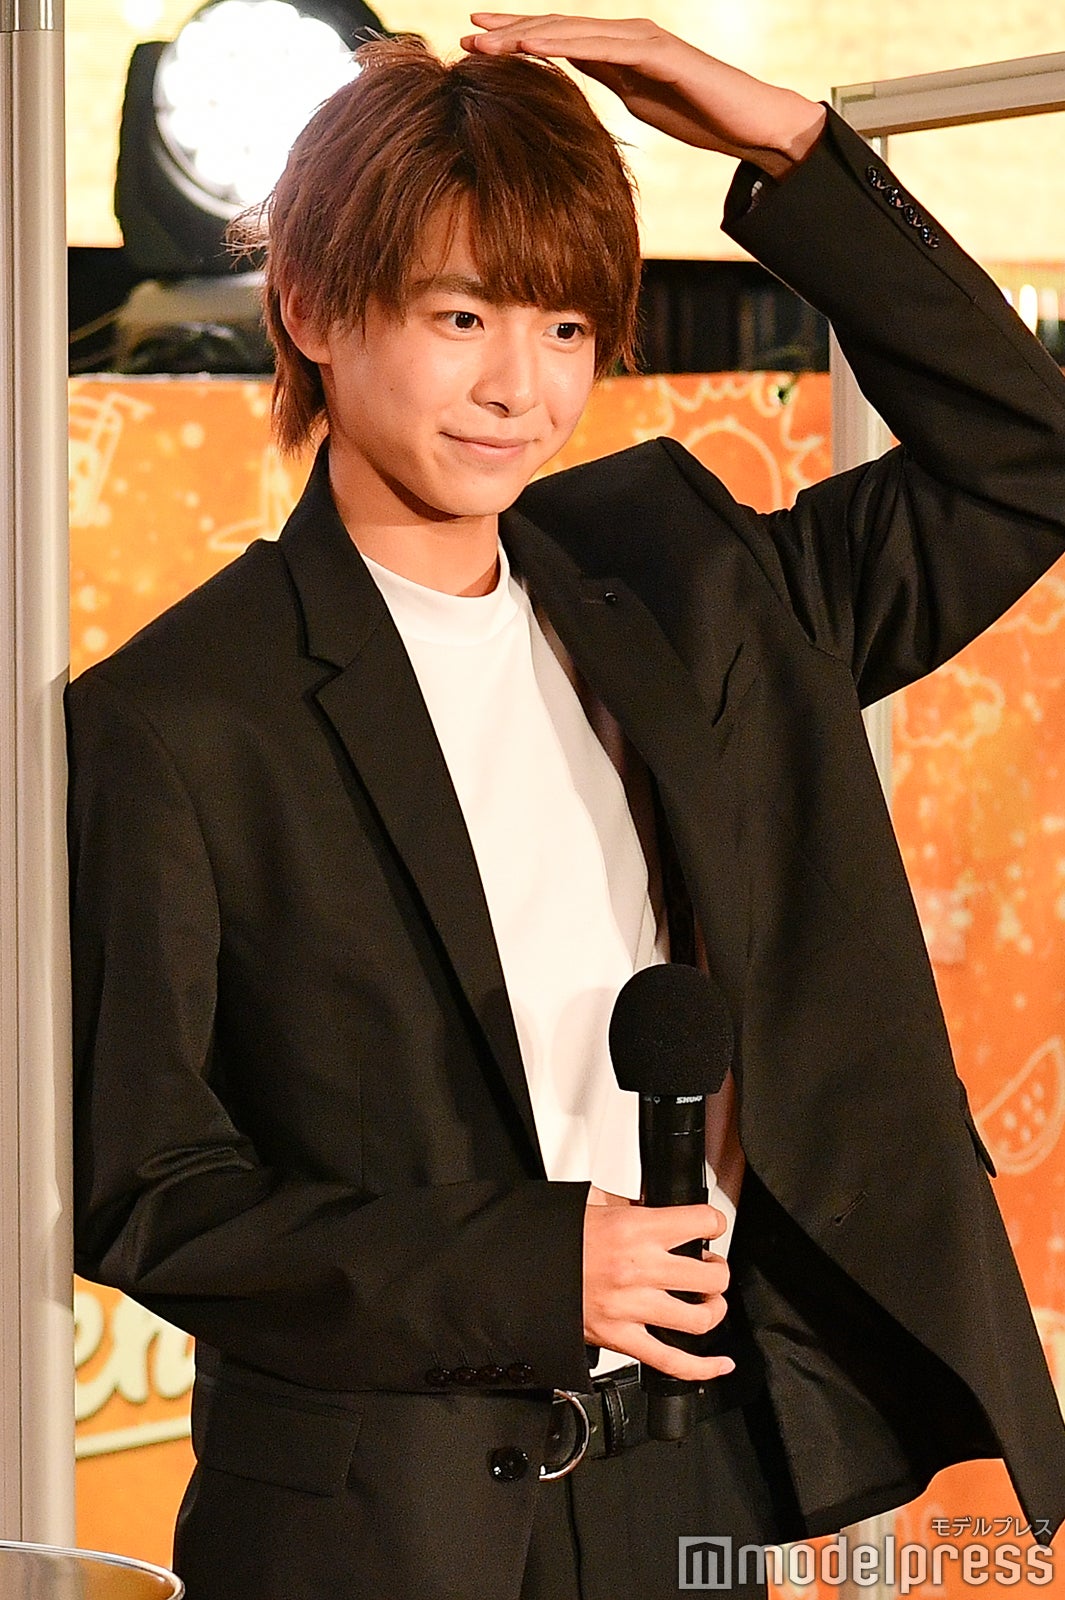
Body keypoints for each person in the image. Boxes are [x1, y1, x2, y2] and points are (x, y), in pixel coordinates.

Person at [67, 13, 1065, 1600]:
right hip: (371, 1529)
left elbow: (1025, 458)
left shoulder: (685, 586)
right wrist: (531, 1268)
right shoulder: (177, 713)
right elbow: (145, 1192)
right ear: (313, 307)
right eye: (461, 315)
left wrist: (789, 151)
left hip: (692, 1480)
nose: (517, 389)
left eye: (565, 328)